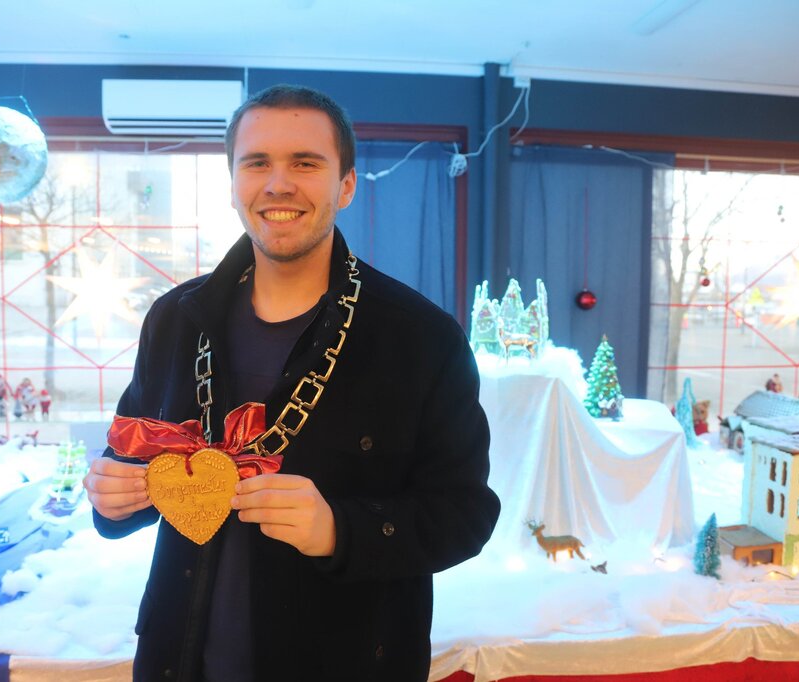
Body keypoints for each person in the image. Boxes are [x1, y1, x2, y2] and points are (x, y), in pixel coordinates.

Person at [84, 84, 499, 682]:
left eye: (305, 163)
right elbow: (131, 456)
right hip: (180, 660)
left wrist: (338, 529)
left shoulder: (422, 338)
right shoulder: (174, 320)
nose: (278, 184)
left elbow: (465, 514)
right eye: (257, 163)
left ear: (346, 185)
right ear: (233, 183)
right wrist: (112, 496)